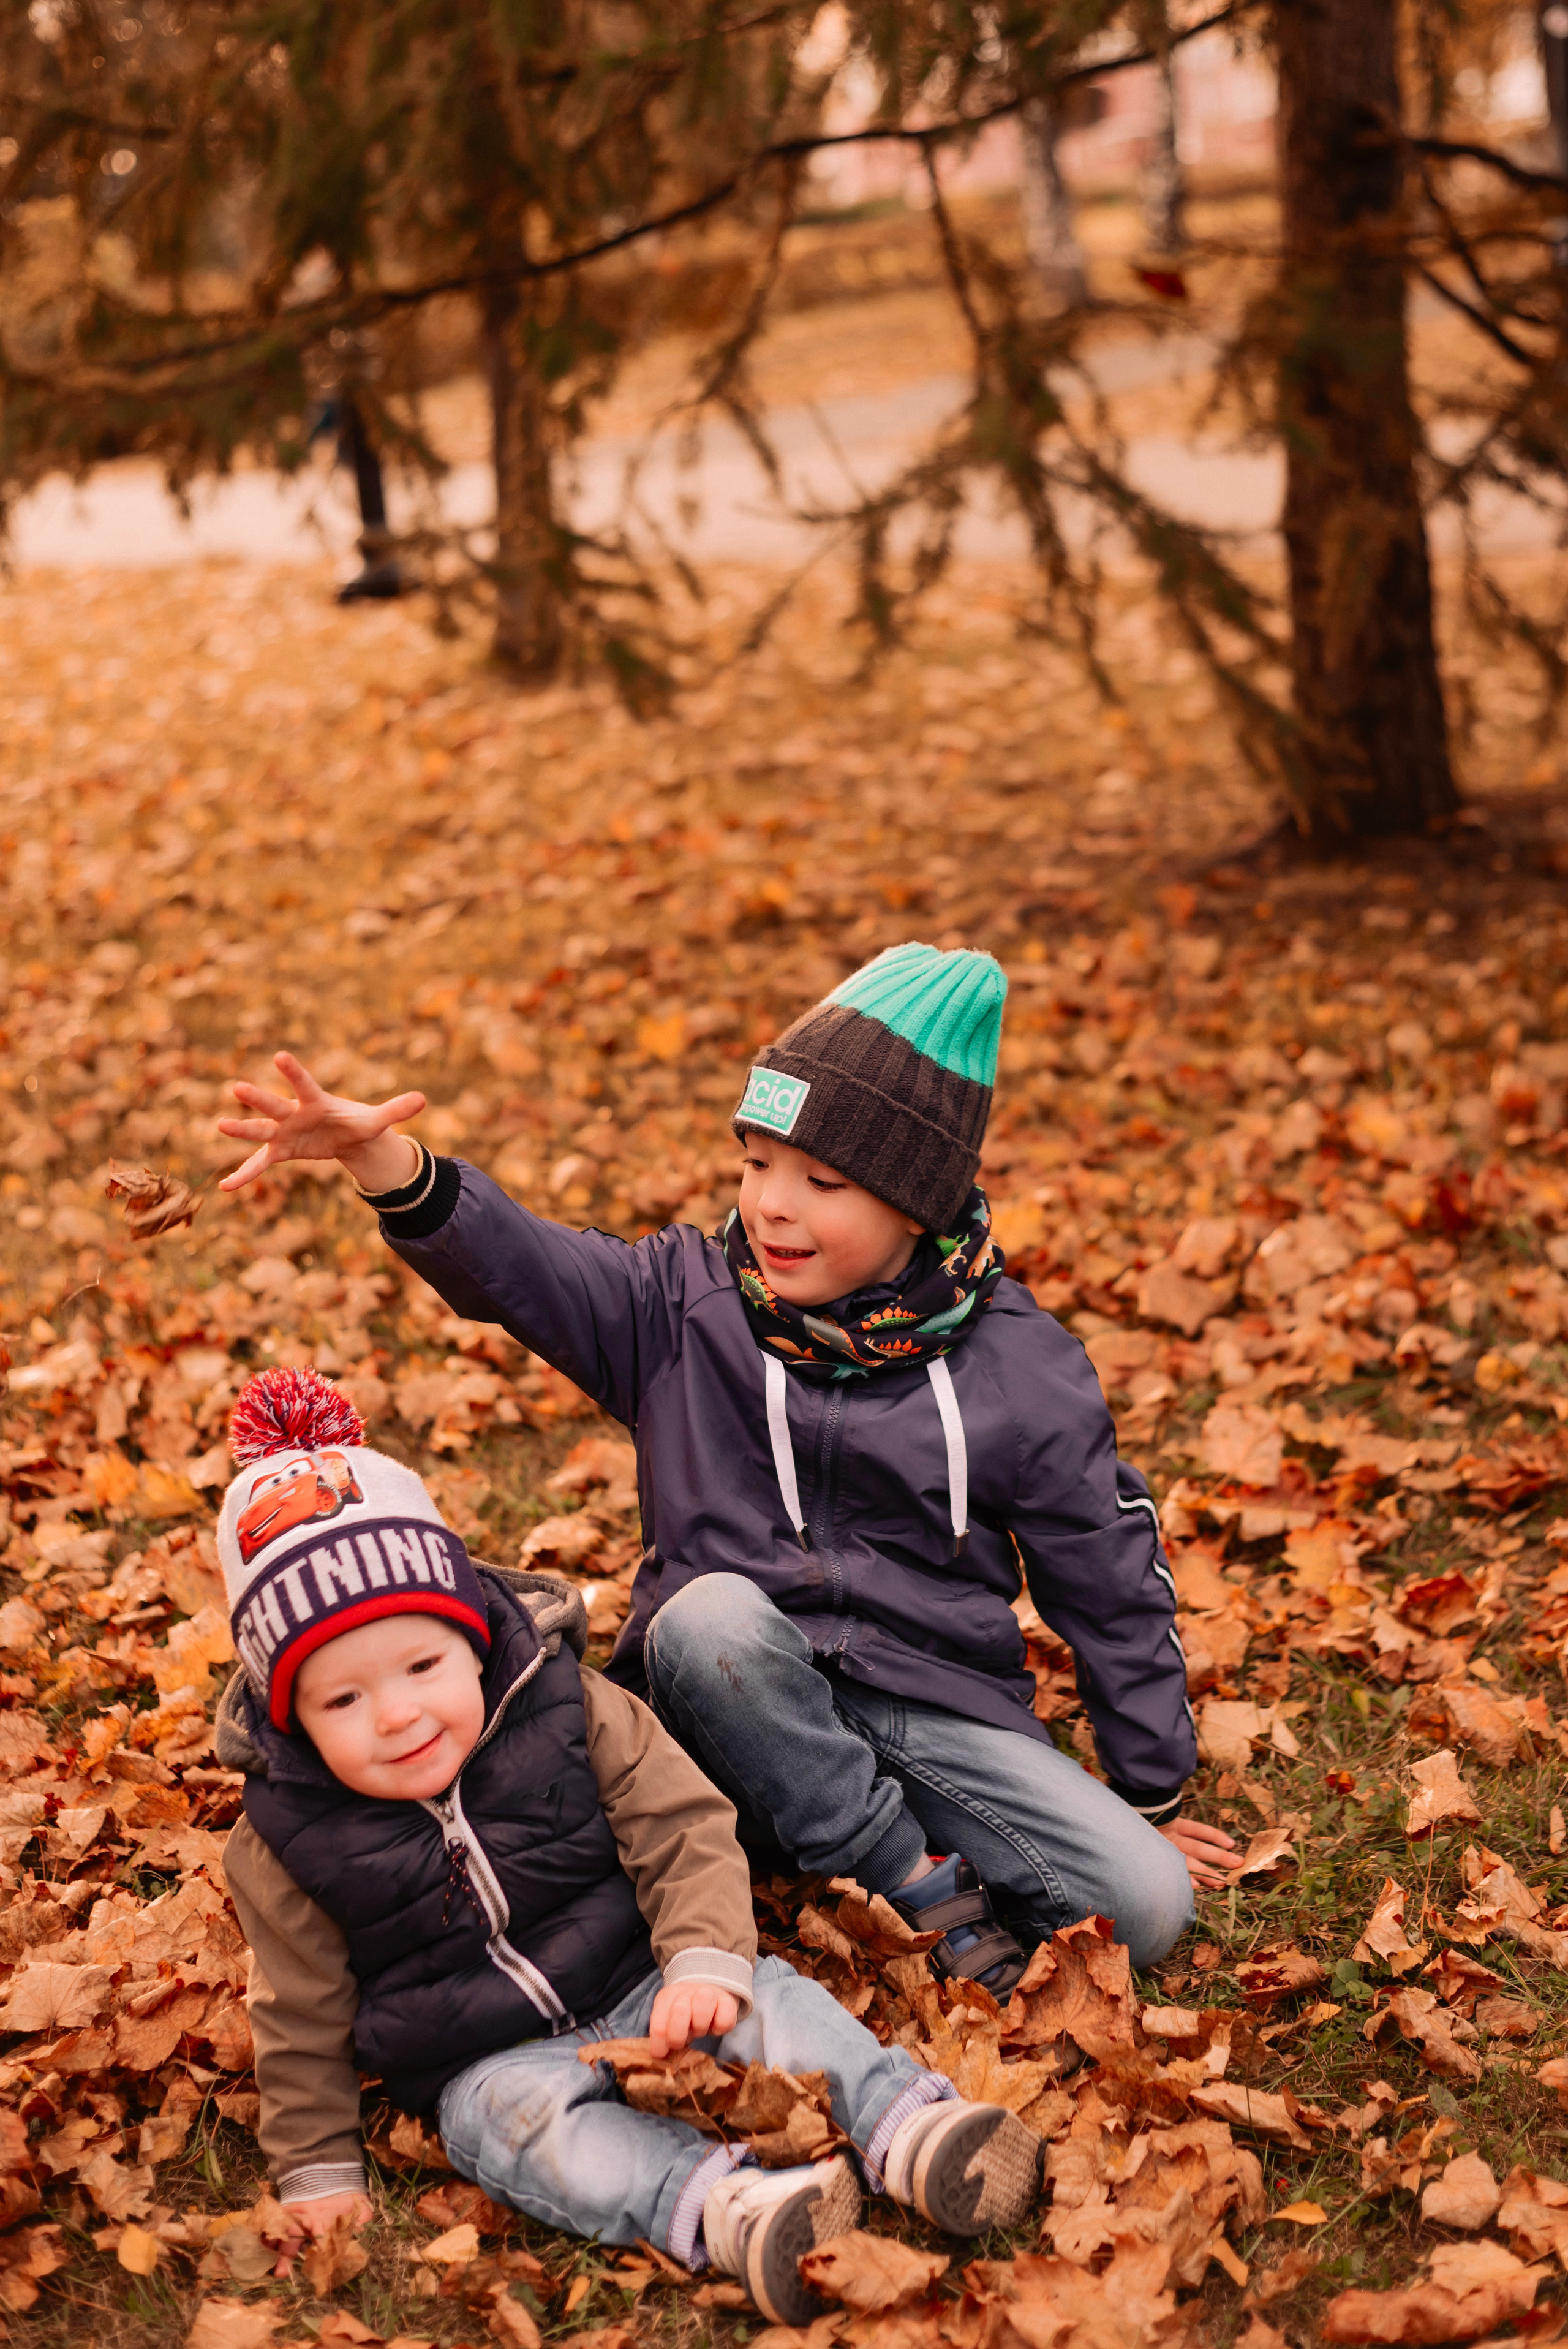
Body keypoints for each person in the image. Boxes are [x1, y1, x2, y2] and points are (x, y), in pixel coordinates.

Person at [217, 941, 1235, 2003]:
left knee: (1149, 1906)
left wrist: (1152, 1787)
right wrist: (386, 1164)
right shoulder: (681, 1302)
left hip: (922, 1704)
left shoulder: (1021, 1367)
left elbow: (1109, 1573)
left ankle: (863, 1813)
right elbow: (522, 1267)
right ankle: (905, 1875)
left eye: (820, 1180)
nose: (771, 1204)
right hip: (704, 1709)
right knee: (709, 1619)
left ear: (916, 1205)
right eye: (755, 1162)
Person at [218, 1366, 1042, 2317]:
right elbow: (298, 2010)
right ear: (293, 1718)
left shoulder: (563, 1705)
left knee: (769, 2001)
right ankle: (724, 2203)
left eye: (421, 1663)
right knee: (515, 2129)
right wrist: (318, 2167)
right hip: (486, 2055)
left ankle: (911, 2124)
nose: (398, 1714)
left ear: (474, 1638)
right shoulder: (287, 1837)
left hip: (639, 1972)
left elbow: (680, 1822)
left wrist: (699, 1956)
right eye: (345, 1698)